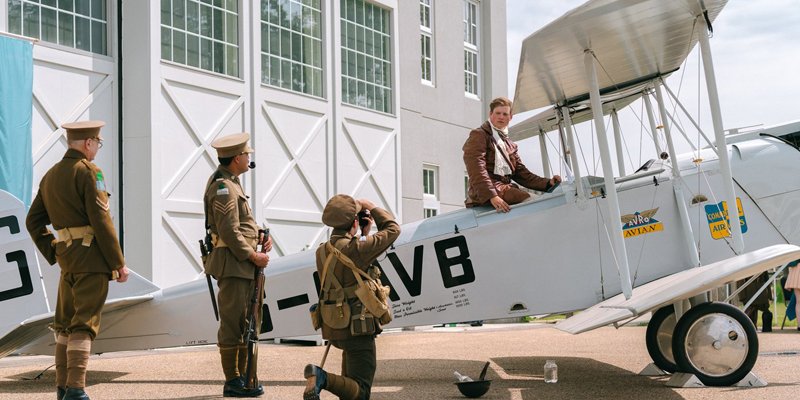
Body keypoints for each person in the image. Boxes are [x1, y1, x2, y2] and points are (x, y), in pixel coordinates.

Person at [26, 120, 130, 400]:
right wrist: (118, 262)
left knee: (65, 324)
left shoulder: (50, 175)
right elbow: (101, 220)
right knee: (84, 324)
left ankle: (63, 388)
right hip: (92, 260)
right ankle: (75, 388)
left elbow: (33, 220)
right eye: (98, 142)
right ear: (88, 143)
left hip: (68, 260)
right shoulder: (90, 172)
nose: (97, 147)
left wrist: (54, 250)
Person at [304, 195, 400, 400]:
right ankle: (322, 378)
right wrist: (372, 207)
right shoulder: (356, 249)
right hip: (357, 326)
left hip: (335, 327)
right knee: (361, 390)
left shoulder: (322, 251)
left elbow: (347, 271)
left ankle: (323, 378)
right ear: (355, 222)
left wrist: (363, 234)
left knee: (350, 386)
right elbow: (393, 229)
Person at [204, 132, 271, 397]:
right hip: (234, 265)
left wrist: (262, 235)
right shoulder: (223, 187)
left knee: (247, 320)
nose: (249, 157)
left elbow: (242, 225)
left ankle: (244, 377)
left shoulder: (232, 184)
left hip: (241, 265)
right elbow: (229, 231)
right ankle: (233, 380)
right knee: (234, 322)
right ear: (236, 158)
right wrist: (253, 255)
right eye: (246, 154)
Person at [463, 97, 562, 212]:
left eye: (505, 114)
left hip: (504, 188)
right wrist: (492, 195)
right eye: (498, 113)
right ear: (491, 114)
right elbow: (476, 168)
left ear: (510, 117)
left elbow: (522, 174)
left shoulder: (509, 144)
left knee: (541, 202)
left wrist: (547, 183)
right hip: (486, 191)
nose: (501, 117)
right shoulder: (479, 135)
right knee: (535, 202)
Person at [785, 261, 800, 331]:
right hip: (796, 269)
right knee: (798, 302)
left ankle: (799, 325)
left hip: (795, 271)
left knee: (798, 301)